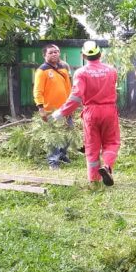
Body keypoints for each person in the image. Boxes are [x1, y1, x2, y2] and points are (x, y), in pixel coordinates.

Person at [52, 41, 120, 187]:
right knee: (112, 142)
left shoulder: (81, 73)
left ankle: (93, 180)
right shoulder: (111, 70)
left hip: (91, 112)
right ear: (100, 54)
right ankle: (107, 166)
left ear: (83, 55)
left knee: (92, 146)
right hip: (109, 110)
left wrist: (61, 112)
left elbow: (76, 97)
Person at [33, 43, 72, 169]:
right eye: (50, 52)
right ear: (44, 55)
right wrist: (41, 108)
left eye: (56, 52)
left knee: (68, 134)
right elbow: (38, 91)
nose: (54, 54)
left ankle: (62, 155)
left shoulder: (63, 69)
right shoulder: (42, 71)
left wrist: (71, 104)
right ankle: (53, 162)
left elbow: (68, 87)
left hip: (65, 108)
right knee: (54, 137)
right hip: (51, 110)